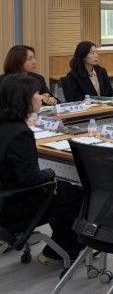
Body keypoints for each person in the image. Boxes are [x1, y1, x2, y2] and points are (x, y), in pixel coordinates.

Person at [0, 75, 84, 264]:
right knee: (78, 194)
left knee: (63, 190)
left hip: (5, 198)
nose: (41, 97)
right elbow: (29, 179)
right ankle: (63, 249)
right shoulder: (20, 133)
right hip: (14, 207)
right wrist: (50, 175)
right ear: (23, 99)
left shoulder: (6, 125)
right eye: (37, 93)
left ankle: (58, 247)